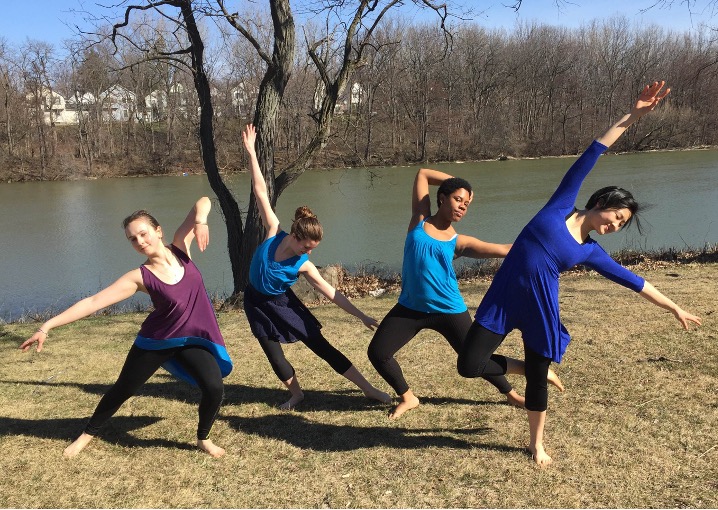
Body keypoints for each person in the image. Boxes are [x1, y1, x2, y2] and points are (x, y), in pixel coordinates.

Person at [457, 81, 702, 466]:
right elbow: (595, 151)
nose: (615, 226)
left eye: (622, 226)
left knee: (539, 381)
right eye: (617, 217)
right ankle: (521, 368)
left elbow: (633, 281)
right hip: (504, 298)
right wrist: (634, 114)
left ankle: (536, 443)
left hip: (540, 310)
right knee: (468, 366)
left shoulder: (590, 252)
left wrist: (673, 307)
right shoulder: (559, 206)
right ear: (602, 202)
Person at [20, 197, 233, 458]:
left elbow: (203, 201)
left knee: (214, 388)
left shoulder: (181, 246)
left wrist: (200, 222)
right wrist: (47, 325)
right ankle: (85, 436)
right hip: (157, 340)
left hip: (190, 340)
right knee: (124, 388)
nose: (140, 242)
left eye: (143, 234)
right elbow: (94, 302)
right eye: (133, 239)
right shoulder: (139, 277)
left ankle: (203, 439)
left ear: (158, 231)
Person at [367, 168, 564, 419]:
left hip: (448, 310)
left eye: (467, 204)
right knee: (378, 352)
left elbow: (505, 249)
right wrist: (466, 185)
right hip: (409, 308)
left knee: (475, 360)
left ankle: (513, 391)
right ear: (442, 198)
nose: (462, 206)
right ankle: (408, 397)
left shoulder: (458, 241)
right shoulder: (419, 220)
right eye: (458, 199)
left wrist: (551, 249)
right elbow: (423, 174)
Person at [241, 124, 391, 410]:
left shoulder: (304, 265)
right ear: (295, 236)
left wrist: (361, 315)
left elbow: (332, 293)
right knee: (273, 355)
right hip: (254, 301)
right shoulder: (273, 230)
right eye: (306, 247)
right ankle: (296, 394)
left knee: (320, 346)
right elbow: (260, 189)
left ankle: (368, 389)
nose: (308, 253)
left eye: (312, 250)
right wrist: (251, 151)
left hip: (282, 304)